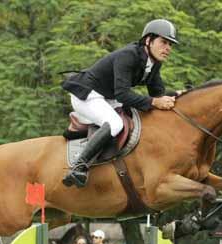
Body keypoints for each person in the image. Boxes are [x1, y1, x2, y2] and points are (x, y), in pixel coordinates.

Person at [62, 19, 179, 188]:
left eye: (170, 44)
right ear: (148, 40)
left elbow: (157, 94)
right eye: (164, 42)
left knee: (135, 118)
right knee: (115, 124)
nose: (168, 48)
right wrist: (155, 101)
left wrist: (178, 96)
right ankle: (79, 167)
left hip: (108, 97)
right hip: (88, 94)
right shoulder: (129, 55)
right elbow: (123, 94)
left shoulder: (154, 63)